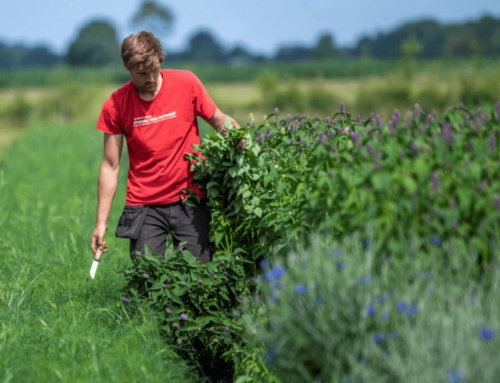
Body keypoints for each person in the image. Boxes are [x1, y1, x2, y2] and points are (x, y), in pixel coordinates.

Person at [90, 31, 244, 264]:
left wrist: (234, 134)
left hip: (190, 199)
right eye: (142, 73)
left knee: (199, 278)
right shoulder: (116, 105)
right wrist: (101, 222)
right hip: (144, 206)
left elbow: (217, 118)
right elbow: (110, 165)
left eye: (154, 70)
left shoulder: (187, 83)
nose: (150, 78)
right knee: (146, 281)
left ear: (160, 60)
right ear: (126, 67)